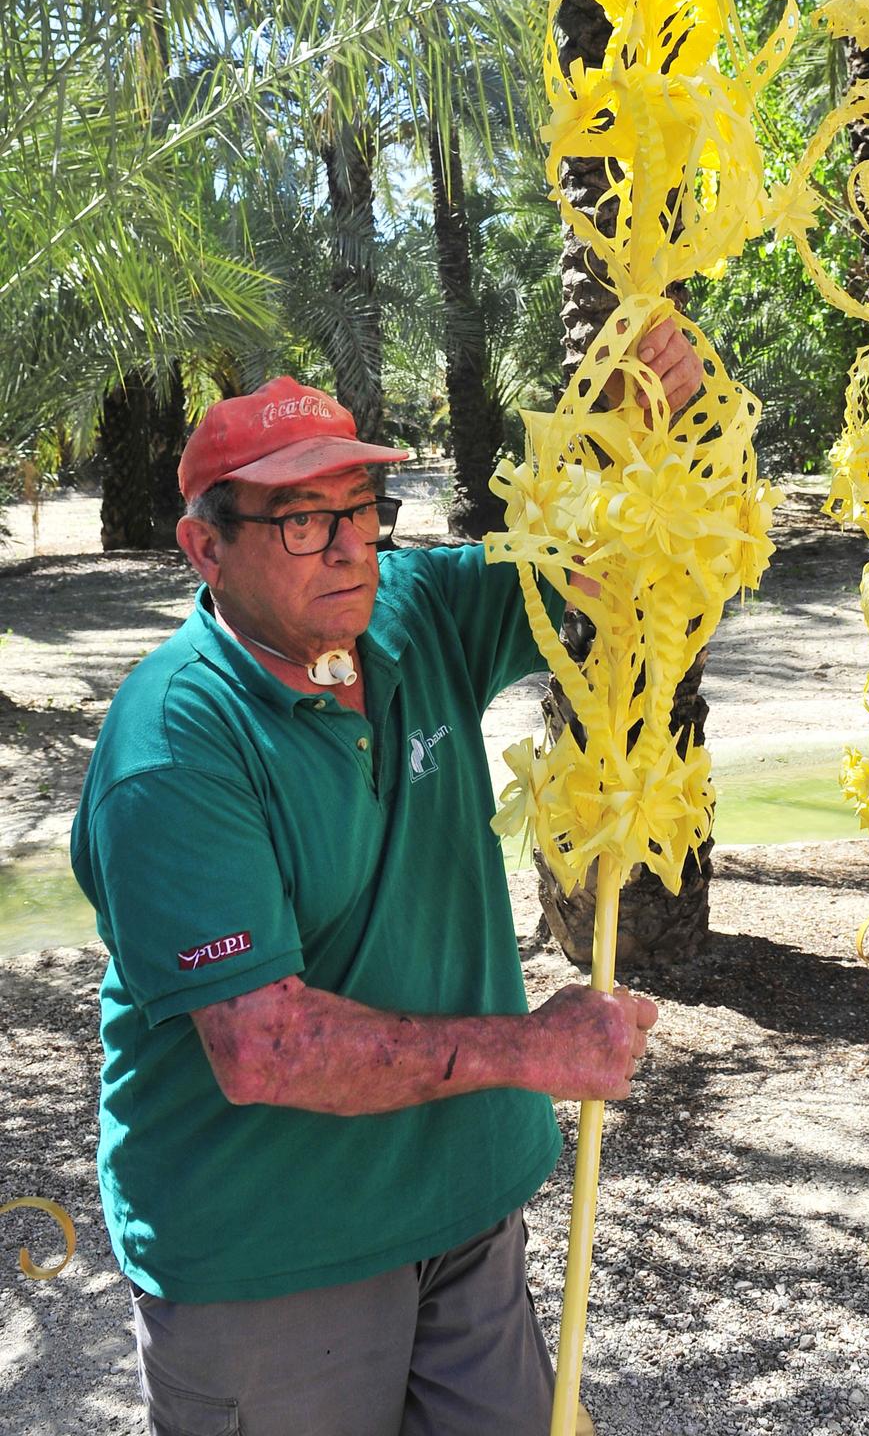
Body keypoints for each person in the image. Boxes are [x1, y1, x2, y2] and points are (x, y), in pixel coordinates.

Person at [71, 323, 702, 1436]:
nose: (349, 547)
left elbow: (582, 560)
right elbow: (263, 1046)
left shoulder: (413, 615)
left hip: (464, 1199)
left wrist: (626, 428)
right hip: (271, 1251)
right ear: (203, 548)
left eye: (362, 509)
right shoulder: (174, 742)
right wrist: (534, 1049)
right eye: (302, 519)